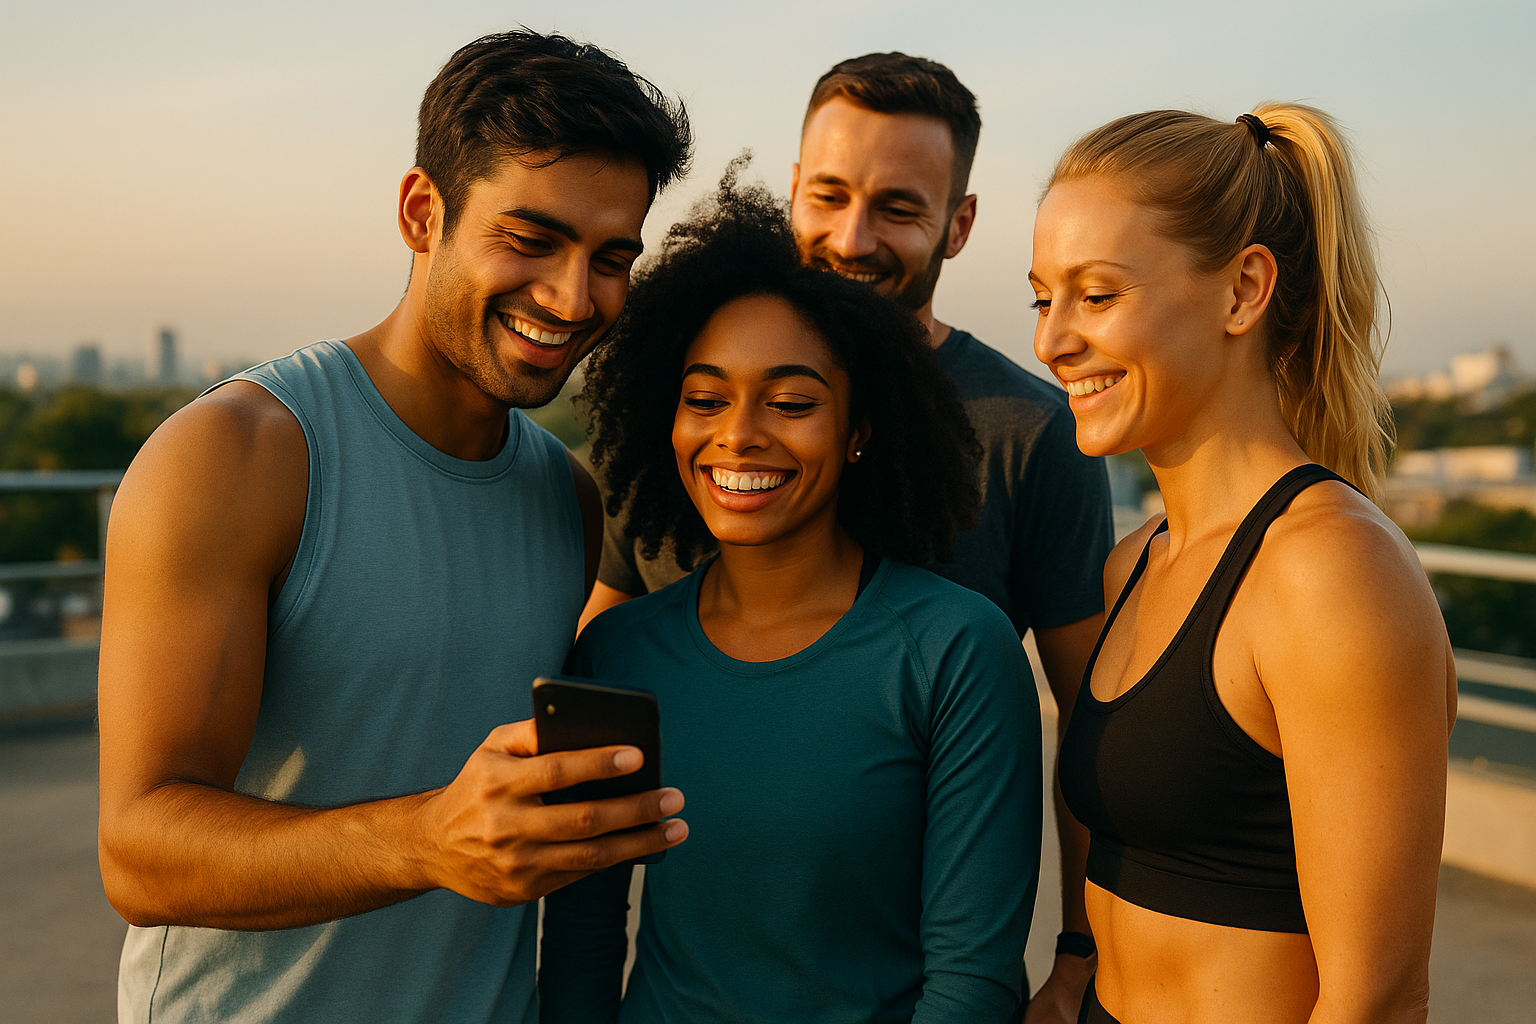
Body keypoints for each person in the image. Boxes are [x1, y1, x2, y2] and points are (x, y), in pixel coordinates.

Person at [96, 31, 694, 1024]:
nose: (573, 296)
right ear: (424, 213)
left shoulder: (567, 496)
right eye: (532, 238)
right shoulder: (236, 454)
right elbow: (139, 850)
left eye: (611, 257)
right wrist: (426, 841)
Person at [580, 53, 1114, 1020]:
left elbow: (1092, 727)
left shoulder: (1031, 444)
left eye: (898, 207)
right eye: (828, 194)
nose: (851, 235)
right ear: (793, 189)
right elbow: (604, 705)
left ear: (959, 223)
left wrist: (1078, 954)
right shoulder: (657, 499)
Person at [1031, 106, 1457, 1024]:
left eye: (1096, 296)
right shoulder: (1135, 562)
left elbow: (1377, 1000)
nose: (1051, 339)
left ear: (1242, 290)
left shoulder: (1331, 573)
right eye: (1043, 297)